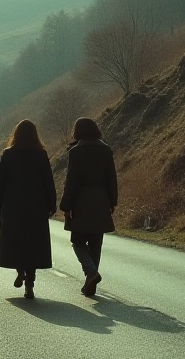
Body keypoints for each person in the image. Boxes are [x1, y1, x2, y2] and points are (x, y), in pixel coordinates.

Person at [0, 119, 57, 299]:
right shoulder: (41, 154)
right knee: (33, 244)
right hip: (36, 206)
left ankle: (20, 270)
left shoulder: (8, 154)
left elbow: (0, 184)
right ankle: (30, 280)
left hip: (13, 206)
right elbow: (48, 181)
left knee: (16, 242)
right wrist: (51, 204)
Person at [60, 117, 118, 298]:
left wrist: (66, 205)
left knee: (78, 241)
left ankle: (91, 272)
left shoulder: (76, 151)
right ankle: (90, 284)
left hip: (80, 201)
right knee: (96, 243)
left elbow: (71, 181)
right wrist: (112, 201)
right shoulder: (106, 150)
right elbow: (111, 178)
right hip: (101, 198)